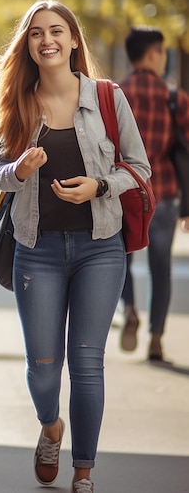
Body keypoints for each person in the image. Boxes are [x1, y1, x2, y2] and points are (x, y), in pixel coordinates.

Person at [0, 0, 150, 493]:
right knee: (42, 368)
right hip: (36, 250)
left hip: (100, 246)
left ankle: (83, 471)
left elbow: (138, 169)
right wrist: (19, 171)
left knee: (86, 362)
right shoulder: (18, 99)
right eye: (36, 33)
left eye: (57, 31)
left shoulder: (106, 96)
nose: (47, 40)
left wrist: (99, 186)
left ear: (73, 40)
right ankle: (50, 426)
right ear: (28, 44)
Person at [118, 26, 189, 361]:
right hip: (163, 193)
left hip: (124, 193)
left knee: (121, 261)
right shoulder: (176, 99)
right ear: (152, 53)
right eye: (163, 52)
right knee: (160, 267)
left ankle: (130, 308)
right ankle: (156, 338)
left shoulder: (115, 94)